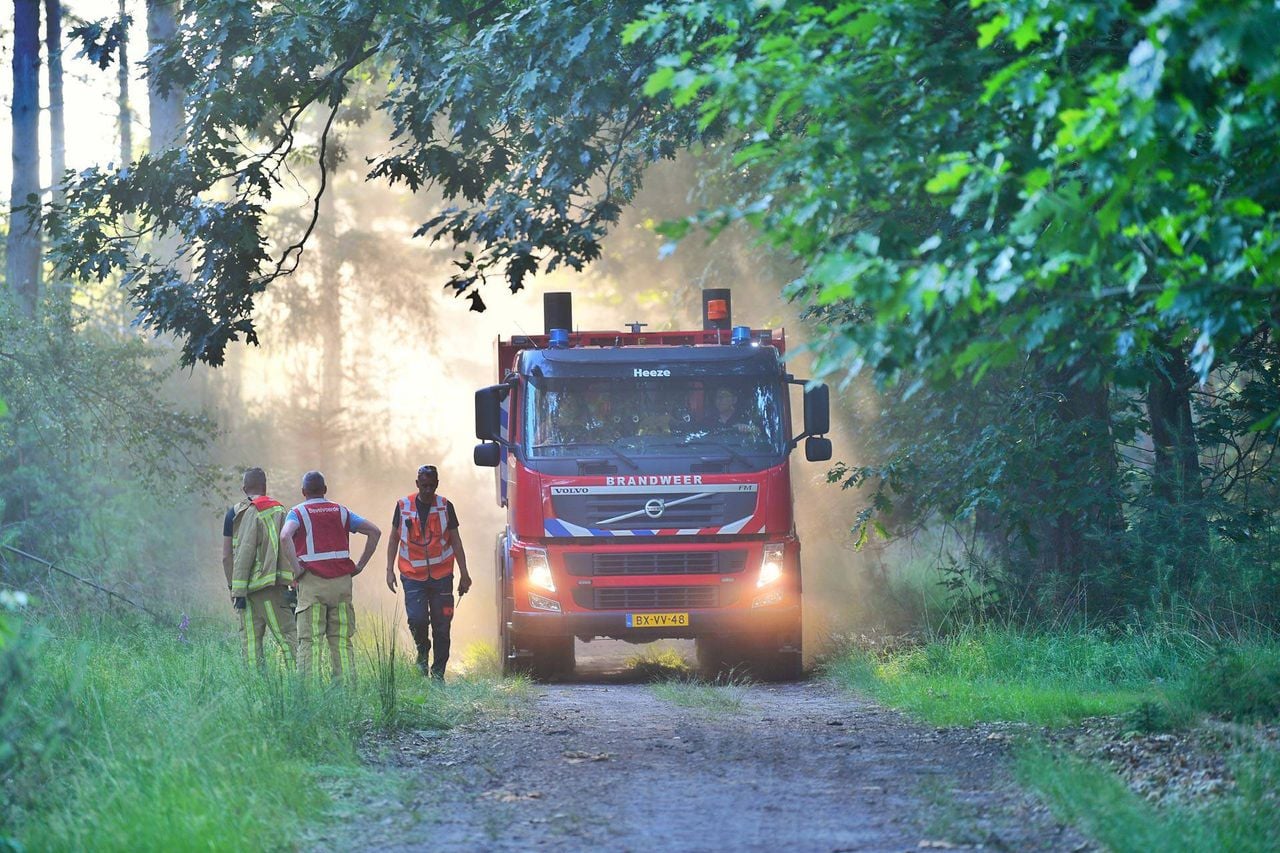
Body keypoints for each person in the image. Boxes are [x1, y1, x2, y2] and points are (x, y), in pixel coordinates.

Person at [280, 471, 381, 683]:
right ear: (325, 490)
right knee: (341, 641)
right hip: (342, 586)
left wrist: (297, 569)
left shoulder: (297, 513)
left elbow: (285, 535)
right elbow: (375, 532)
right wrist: (360, 565)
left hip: (312, 587)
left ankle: (310, 691)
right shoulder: (341, 511)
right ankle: (346, 690)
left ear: (303, 492)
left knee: (310, 642)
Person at [385, 464, 472, 680]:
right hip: (412, 576)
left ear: (437, 484)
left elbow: (456, 541)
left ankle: (438, 675)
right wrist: (389, 570)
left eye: (432, 486)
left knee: (442, 626)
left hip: (442, 577)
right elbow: (393, 539)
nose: (428, 490)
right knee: (418, 620)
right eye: (424, 485)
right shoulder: (403, 506)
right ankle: (422, 653)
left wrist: (464, 573)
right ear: (417, 484)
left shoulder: (445, 506)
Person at [225, 467, 297, 668]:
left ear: (244, 488)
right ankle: (298, 681)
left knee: (250, 646)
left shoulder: (239, 512)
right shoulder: (280, 510)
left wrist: (236, 590)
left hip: (247, 592)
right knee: (288, 639)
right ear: (265, 487)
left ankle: (254, 683)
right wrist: (294, 581)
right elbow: (290, 547)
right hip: (273, 589)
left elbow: (235, 554)